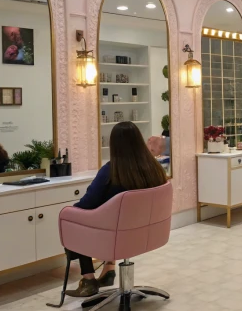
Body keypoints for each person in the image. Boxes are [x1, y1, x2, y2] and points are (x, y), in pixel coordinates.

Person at [66, 122, 169, 298]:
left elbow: (86, 204)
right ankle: (108, 270)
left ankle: (88, 279)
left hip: (115, 238)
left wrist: (71, 213)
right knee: (114, 217)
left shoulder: (111, 171)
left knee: (72, 222)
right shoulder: (154, 169)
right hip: (145, 235)